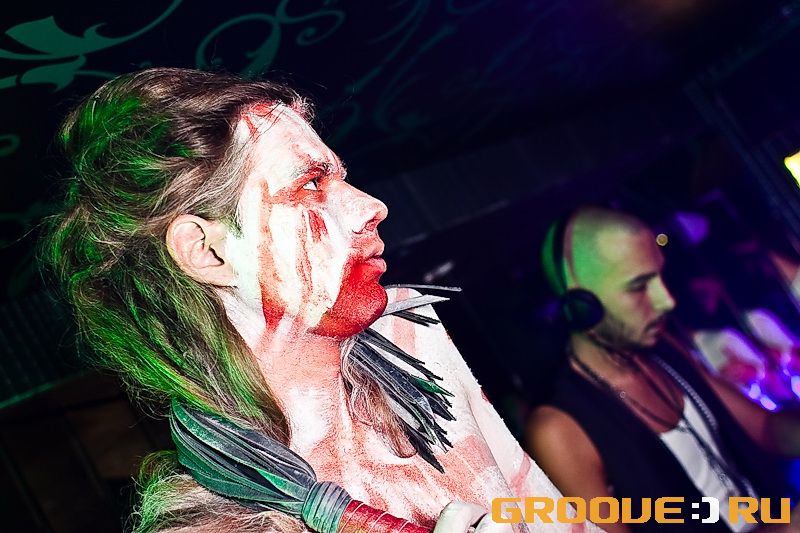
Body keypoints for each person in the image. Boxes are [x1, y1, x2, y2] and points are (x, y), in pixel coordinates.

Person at [45, 68, 593, 533]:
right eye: (310, 185)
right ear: (208, 253)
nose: (372, 206)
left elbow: (552, 516)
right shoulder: (214, 523)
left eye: (343, 179)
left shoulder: (409, 340)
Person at [526, 207, 800, 533]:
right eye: (639, 286)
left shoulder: (663, 350)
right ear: (583, 306)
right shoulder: (559, 429)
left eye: (659, 277)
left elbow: (765, 428)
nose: (666, 300)